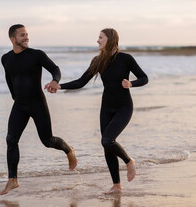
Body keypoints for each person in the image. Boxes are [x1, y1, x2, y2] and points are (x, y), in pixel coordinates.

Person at [45, 28, 148, 194]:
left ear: (111, 39)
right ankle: (116, 185)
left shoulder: (125, 59)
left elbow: (144, 78)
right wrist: (60, 86)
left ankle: (129, 162)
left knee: (107, 140)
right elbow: (81, 82)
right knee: (107, 146)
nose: (97, 40)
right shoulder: (98, 61)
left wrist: (131, 84)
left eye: (101, 37)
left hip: (123, 107)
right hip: (106, 108)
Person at [0, 24, 77, 195]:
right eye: (22, 35)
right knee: (11, 139)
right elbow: (9, 77)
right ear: (12, 39)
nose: (26, 37)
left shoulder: (36, 55)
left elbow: (55, 69)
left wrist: (55, 81)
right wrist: (14, 97)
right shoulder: (6, 58)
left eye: (26, 34)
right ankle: (13, 180)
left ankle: (68, 150)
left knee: (47, 141)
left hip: (37, 103)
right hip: (19, 104)